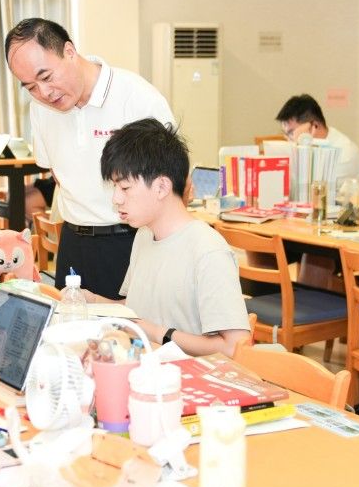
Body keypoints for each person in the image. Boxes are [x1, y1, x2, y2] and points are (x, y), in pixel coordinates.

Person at [5, 17, 174, 300]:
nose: (43, 93)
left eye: (46, 77)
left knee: (132, 326)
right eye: (31, 87)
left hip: (133, 242)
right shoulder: (41, 109)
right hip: (75, 243)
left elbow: (174, 184)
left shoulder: (136, 97)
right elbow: (58, 174)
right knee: (69, 325)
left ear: (69, 51)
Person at [87, 118, 250, 357]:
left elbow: (234, 346)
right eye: (114, 187)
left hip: (187, 374)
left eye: (125, 188)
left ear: (162, 187)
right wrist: (91, 301)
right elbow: (138, 309)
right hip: (143, 366)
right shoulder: (144, 235)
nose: (116, 199)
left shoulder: (208, 250)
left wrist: (158, 333)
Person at [275, 94, 359, 189]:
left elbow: (314, 193)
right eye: (286, 134)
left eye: (291, 133)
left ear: (314, 126)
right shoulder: (320, 143)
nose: (289, 140)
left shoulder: (343, 154)